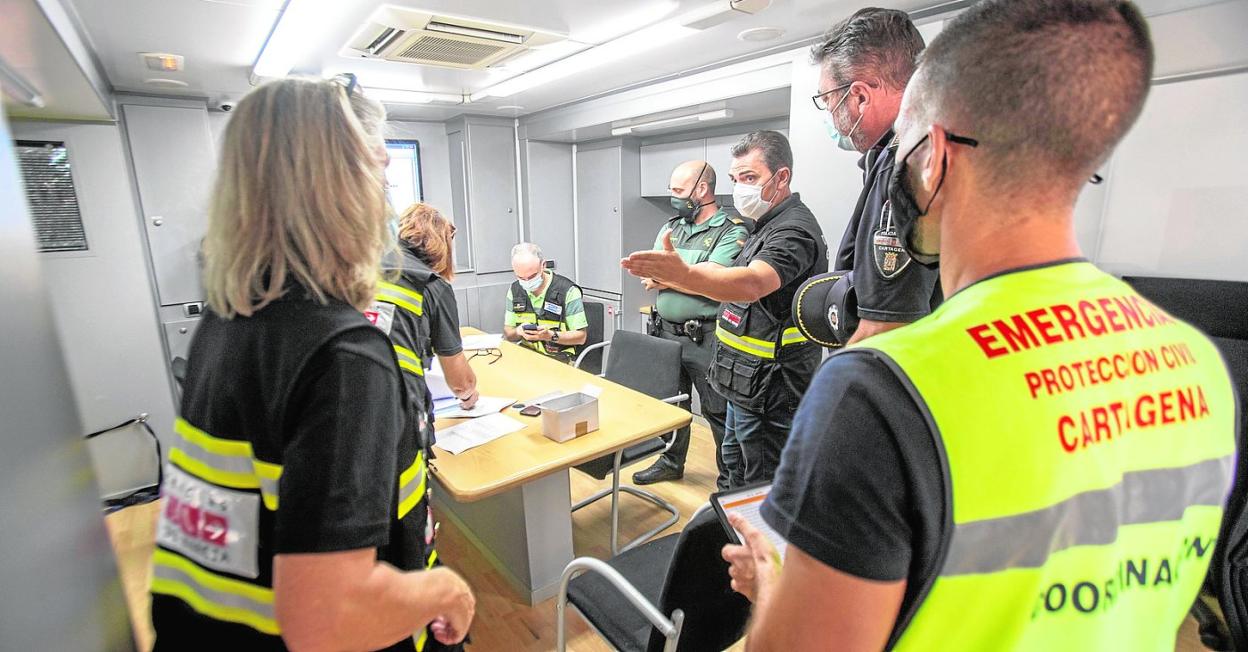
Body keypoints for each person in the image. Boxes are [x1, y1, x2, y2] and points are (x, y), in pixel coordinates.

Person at [723, 1, 1238, 650]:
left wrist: (774, 586)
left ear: (934, 158)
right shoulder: (1197, 362)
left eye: (904, 152)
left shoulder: (877, 391)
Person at [150, 77, 474, 651]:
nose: (385, 192)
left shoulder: (229, 318)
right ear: (342, 186)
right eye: (377, 171)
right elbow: (328, 619)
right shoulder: (345, 355)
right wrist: (445, 589)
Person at [622, 131, 827, 488]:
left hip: (770, 386)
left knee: (757, 482)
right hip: (742, 378)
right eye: (735, 179)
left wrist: (681, 275)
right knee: (734, 470)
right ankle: (722, 519)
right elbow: (728, 280)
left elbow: (752, 283)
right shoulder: (765, 225)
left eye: (749, 177)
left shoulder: (793, 230)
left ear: (782, 177)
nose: (739, 188)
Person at [814, 7, 942, 344]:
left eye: (828, 100)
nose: (831, 114)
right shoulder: (949, 142)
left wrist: (838, 376)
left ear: (859, 96)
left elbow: (885, 328)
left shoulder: (903, 163)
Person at [633, 160, 749, 488]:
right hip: (665, 333)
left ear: (702, 189)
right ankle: (671, 462)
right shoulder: (672, 227)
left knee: (717, 412)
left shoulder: (732, 230)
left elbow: (715, 282)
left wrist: (668, 279)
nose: (673, 196)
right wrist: (684, 278)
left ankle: (731, 482)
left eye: (678, 190)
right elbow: (651, 270)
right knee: (672, 406)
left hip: (705, 338)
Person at [370, 202, 479, 440]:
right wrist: (469, 394)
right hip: (399, 409)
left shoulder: (363, 269)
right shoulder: (432, 285)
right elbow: (461, 384)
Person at [503, 242, 588, 364]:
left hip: (560, 360)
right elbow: (508, 333)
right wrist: (518, 332)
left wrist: (550, 335)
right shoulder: (515, 290)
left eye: (532, 276)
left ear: (543, 265)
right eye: (521, 278)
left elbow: (581, 337)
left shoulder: (568, 291)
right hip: (527, 357)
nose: (527, 282)